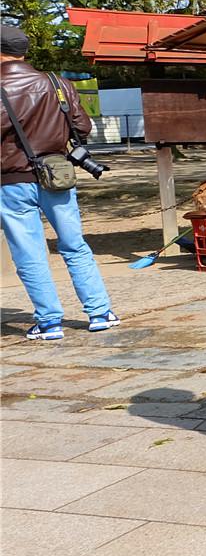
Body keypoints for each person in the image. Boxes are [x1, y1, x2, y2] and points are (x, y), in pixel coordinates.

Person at [0, 24, 120, 341]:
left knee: (29, 253)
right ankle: (99, 313)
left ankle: (49, 322)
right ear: (24, 51)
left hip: (12, 180)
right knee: (75, 245)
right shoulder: (57, 83)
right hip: (57, 176)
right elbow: (84, 127)